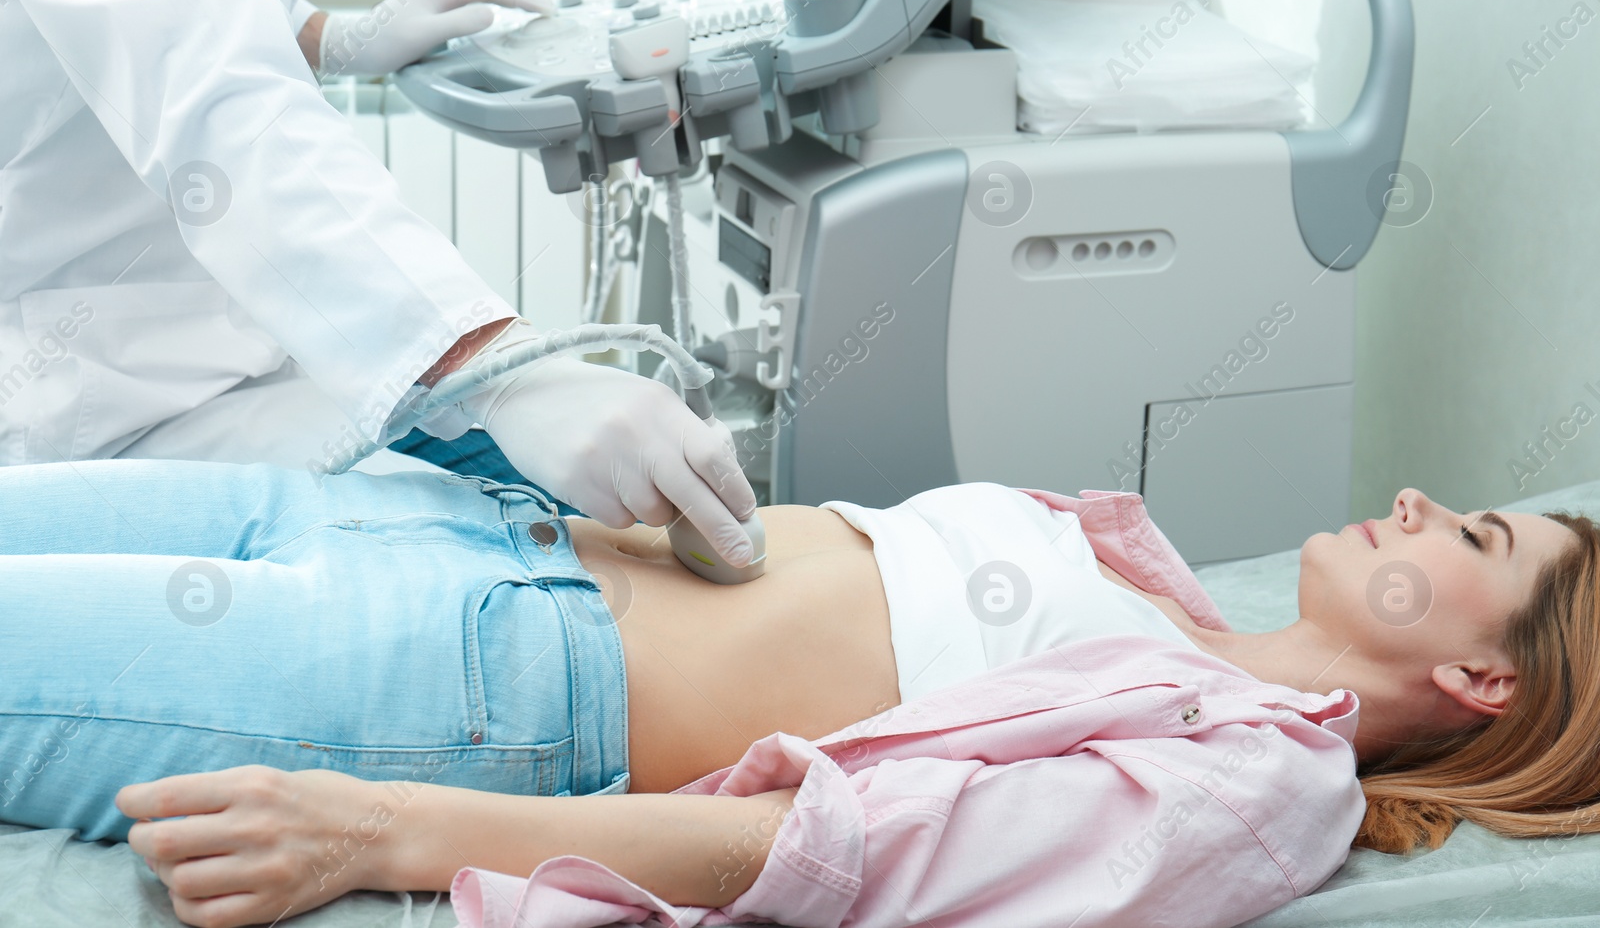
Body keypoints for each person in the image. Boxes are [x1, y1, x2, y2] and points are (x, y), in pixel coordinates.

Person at [2, 457, 1598, 928]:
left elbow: (830, 843)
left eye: (1469, 532)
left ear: (1480, 674)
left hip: (451, 678)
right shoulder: (1165, 585)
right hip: (414, 515)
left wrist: (377, 826)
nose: (1414, 503)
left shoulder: (1260, 776)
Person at [0, 0, 759, 565]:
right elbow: (226, 115)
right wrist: (497, 372)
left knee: (601, 526)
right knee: (565, 563)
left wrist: (329, 37)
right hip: (106, 397)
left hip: (221, 343)